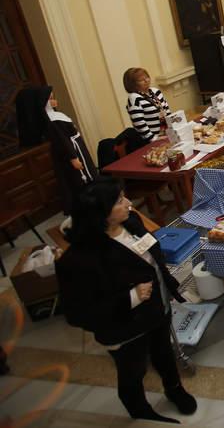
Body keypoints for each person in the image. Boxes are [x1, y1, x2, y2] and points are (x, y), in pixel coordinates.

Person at [56, 177, 197, 423]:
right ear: (101, 213)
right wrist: (130, 298)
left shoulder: (130, 221)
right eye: (120, 200)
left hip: (156, 310)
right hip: (126, 328)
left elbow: (150, 254)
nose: (129, 203)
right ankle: (138, 407)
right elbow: (78, 313)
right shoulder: (80, 259)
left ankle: (174, 389)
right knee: (132, 371)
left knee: (163, 353)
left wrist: (166, 284)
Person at [15, 86, 98, 215]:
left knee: (86, 173)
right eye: (51, 99)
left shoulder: (55, 116)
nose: (55, 101)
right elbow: (62, 141)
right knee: (81, 176)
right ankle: (88, 203)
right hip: (73, 149)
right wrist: (73, 157)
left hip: (76, 144)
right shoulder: (53, 121)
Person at [123, 68, 170, 144]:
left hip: (167, 133)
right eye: (141, 80)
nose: (146, 80)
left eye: (147, 77)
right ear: (133, 84)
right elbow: (139, 122)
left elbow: (167, 110)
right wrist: (153, 139)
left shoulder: (156, 91)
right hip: (151, 140)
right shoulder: (134, 98)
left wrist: (172, 128)